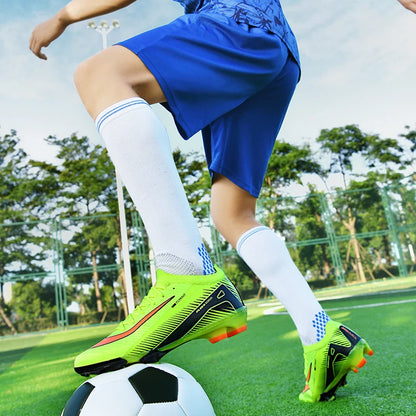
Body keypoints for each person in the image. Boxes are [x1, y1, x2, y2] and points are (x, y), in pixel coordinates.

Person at [30, 0, 415, 403]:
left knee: (99, 74)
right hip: (277, 52)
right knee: (231, 214)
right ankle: (321, 333)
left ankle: (187, 273)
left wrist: (62, 16)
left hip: (235, 23)